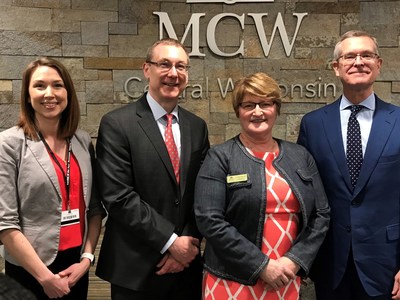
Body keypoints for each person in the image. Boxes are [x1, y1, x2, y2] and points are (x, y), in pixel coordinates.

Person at [194, 72, 330, 300]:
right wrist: (262, 266)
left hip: (286, 276)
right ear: (238, 111)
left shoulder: (300, 156)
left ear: (276, 108)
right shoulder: (220, 157)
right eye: (249, 105)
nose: (257, 112)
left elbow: (322, 214)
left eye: (265, 103)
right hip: (231, 279)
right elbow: (209, 219)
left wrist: (294, 261)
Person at [95, 38, 210, 300]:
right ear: (146, 69)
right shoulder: (117, 123)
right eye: (165, 64)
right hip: (135, 270)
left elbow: (203, 191)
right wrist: (171, 242)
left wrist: (189, 244)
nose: (173, 74)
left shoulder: (197, 126)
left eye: (181, 66)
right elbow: (118, 197)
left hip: (186, 269)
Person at [297, 30, 400, 300]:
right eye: (350, 56)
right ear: (336, 67)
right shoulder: (313, 124)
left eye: (366, 55)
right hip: (330, 263)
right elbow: (305, 195)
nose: (358, 62)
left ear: (378, 63)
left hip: (387, 265)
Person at [0, 57, 106, 299]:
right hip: (30, 269)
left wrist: (86, 259)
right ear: (27, 95)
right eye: (39, 86)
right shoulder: (8, 144)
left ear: (67, 92)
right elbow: (5, 222)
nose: (50, 93)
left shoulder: (82, 140)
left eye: (57, 85)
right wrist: (45, 278)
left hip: (75, 266)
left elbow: (95, 209)